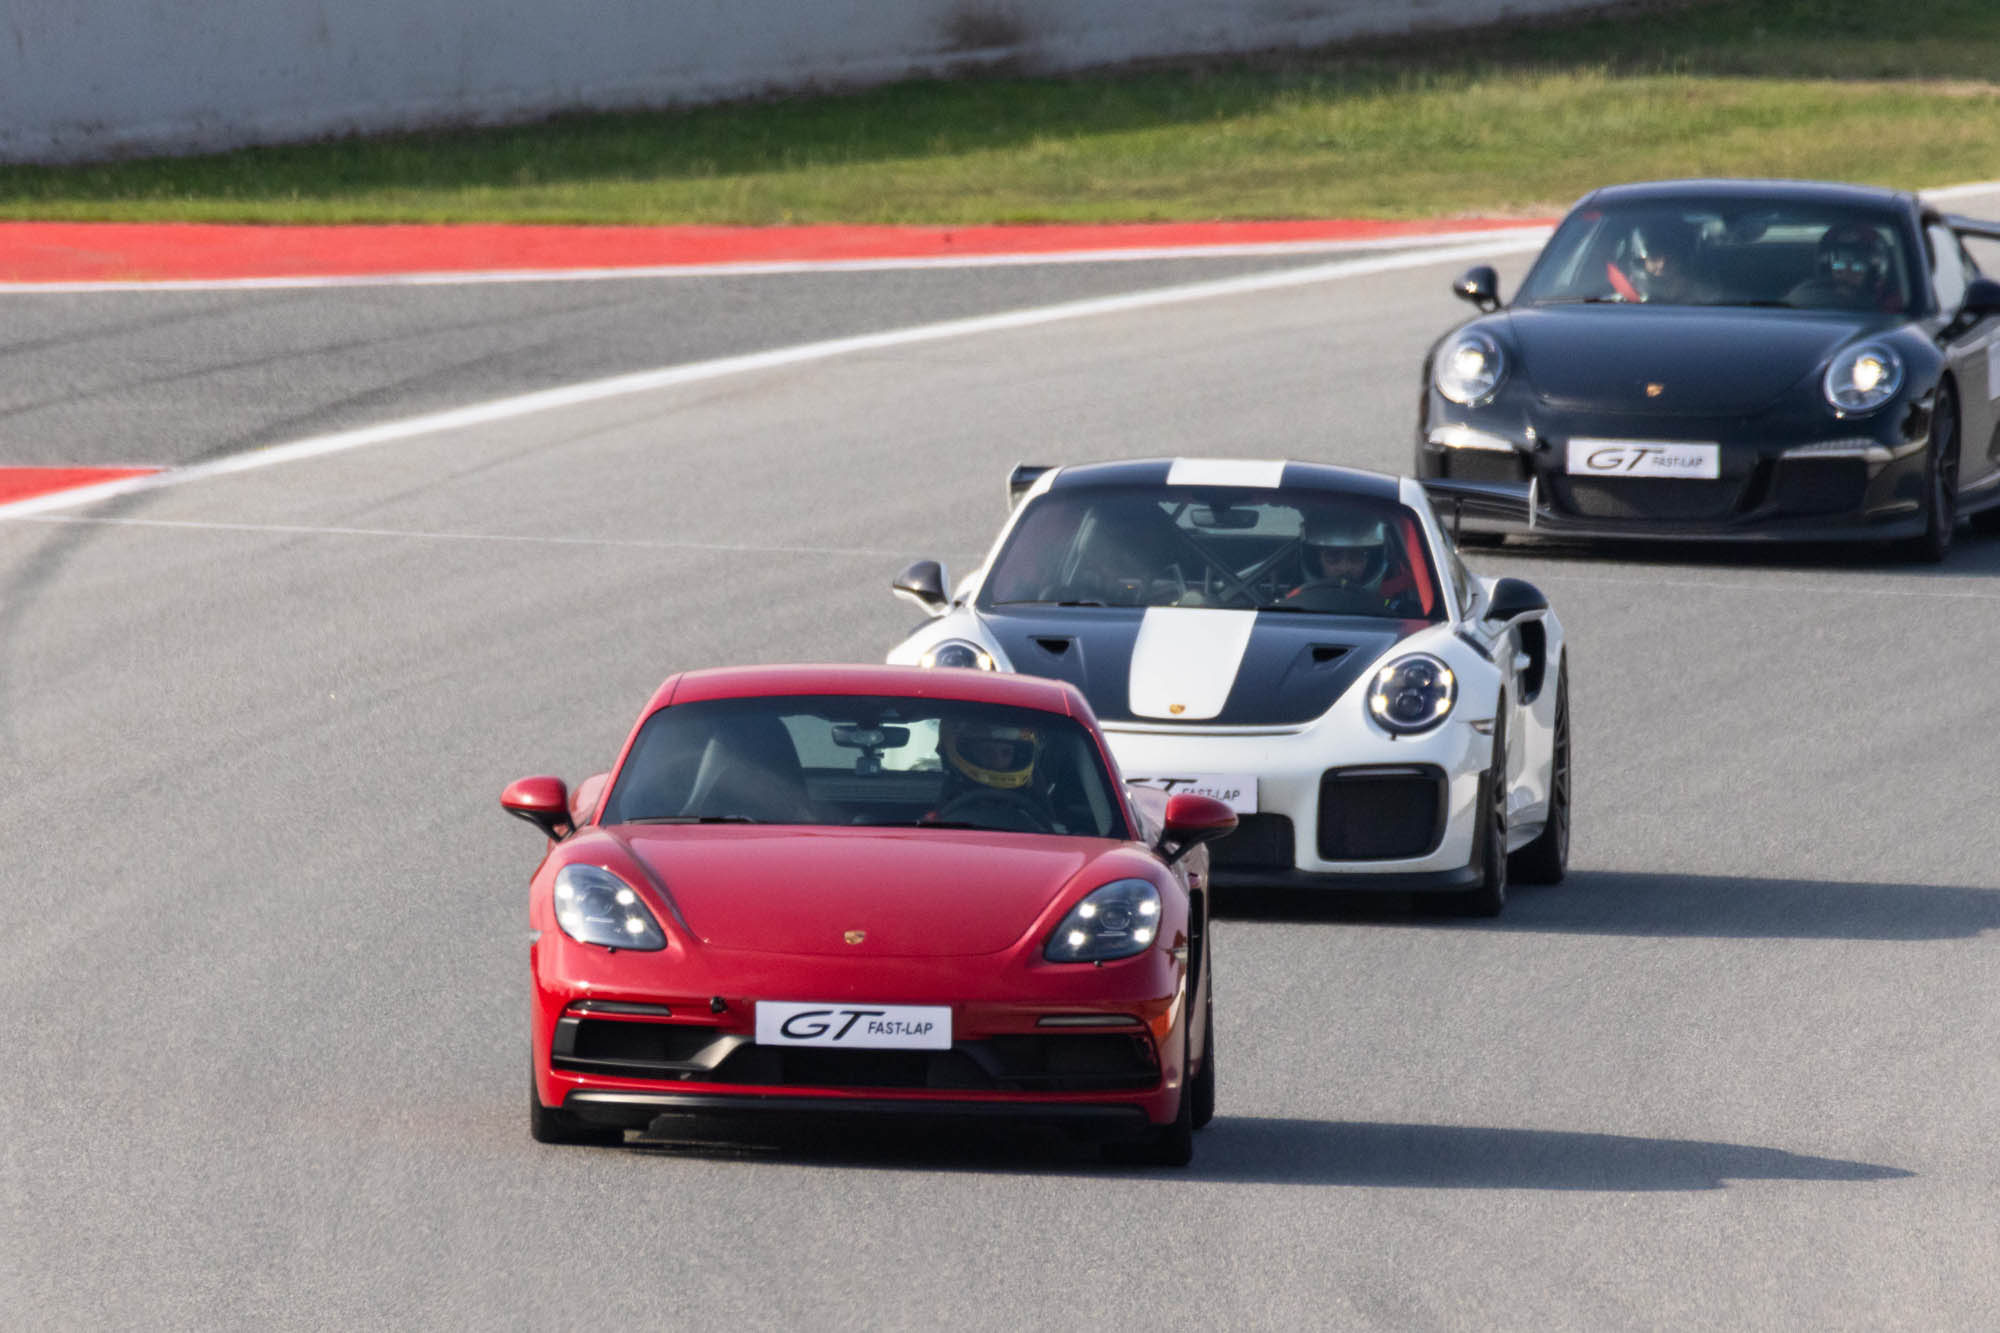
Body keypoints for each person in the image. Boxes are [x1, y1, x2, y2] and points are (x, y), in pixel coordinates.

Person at [1282, 509, 1425, 616]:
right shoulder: (1290, 603)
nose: (1345, 567)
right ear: (1316, 560)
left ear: (1371, 561)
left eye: (1356, 557)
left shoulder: (1391, 602)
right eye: (1332, 557)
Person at [927, 715, 1051, 830]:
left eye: (1006, 753)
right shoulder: (948, 795)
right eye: (986, 752)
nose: (997, 761)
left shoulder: (1034, 797)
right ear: (968, 752)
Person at [1786, 224, 1902, 312]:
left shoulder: (1891, 310)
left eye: (1857, 266)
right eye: (1839, 265)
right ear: (1827, 268)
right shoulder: (1807, 299)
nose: (1847, 272)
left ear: (1875, 271)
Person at [1607, 216, 1709, 304]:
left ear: (1681, 262)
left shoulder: (1705, 300)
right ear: (1642, 261)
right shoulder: (1619, 302)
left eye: (1671, 258)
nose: (1662, 265)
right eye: (1655, 257)